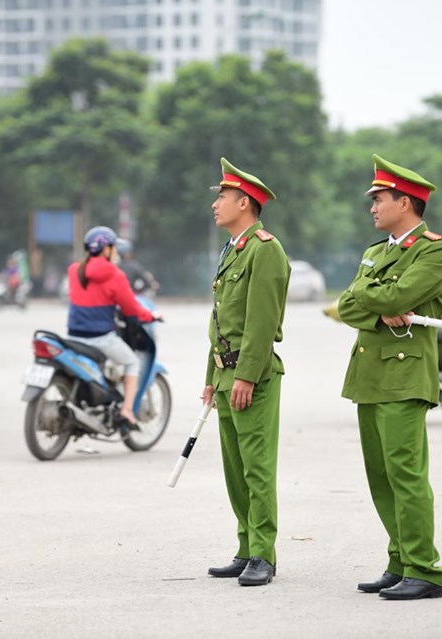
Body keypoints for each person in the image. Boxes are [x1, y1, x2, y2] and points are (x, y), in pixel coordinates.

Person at [334, 154, 442, 600]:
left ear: (405, 202)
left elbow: (400, 293)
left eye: (379, 199)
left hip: (405, 375)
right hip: (369, 375)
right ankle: (400, 559)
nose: (373, 208)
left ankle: (425, 569)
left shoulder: (433, 249)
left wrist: (370, 294)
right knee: (380, 474)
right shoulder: (375, 252)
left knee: (406, 473)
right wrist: (380, 310)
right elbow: (346, 307)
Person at [201, 158, 290, 587]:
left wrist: (247, 377)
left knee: (256, 467)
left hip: (250, 377)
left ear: (243, 202)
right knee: (235, 469)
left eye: (221, 197)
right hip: (224, 375)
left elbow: (259, 322)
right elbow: (221, 320)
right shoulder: (233, 249)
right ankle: (245, 546)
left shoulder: (265, 250)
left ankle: (263, 554)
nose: (215, 204)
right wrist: (209, 376)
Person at [66, 226, 161, 431]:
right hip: (100, 338)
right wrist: (151, 316)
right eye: (113, 247)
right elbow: (131, 309)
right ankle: (126, 410)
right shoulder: (115, 275)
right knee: (132, 362)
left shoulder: (74, 270)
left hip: (74, 336)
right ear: (107, 250)